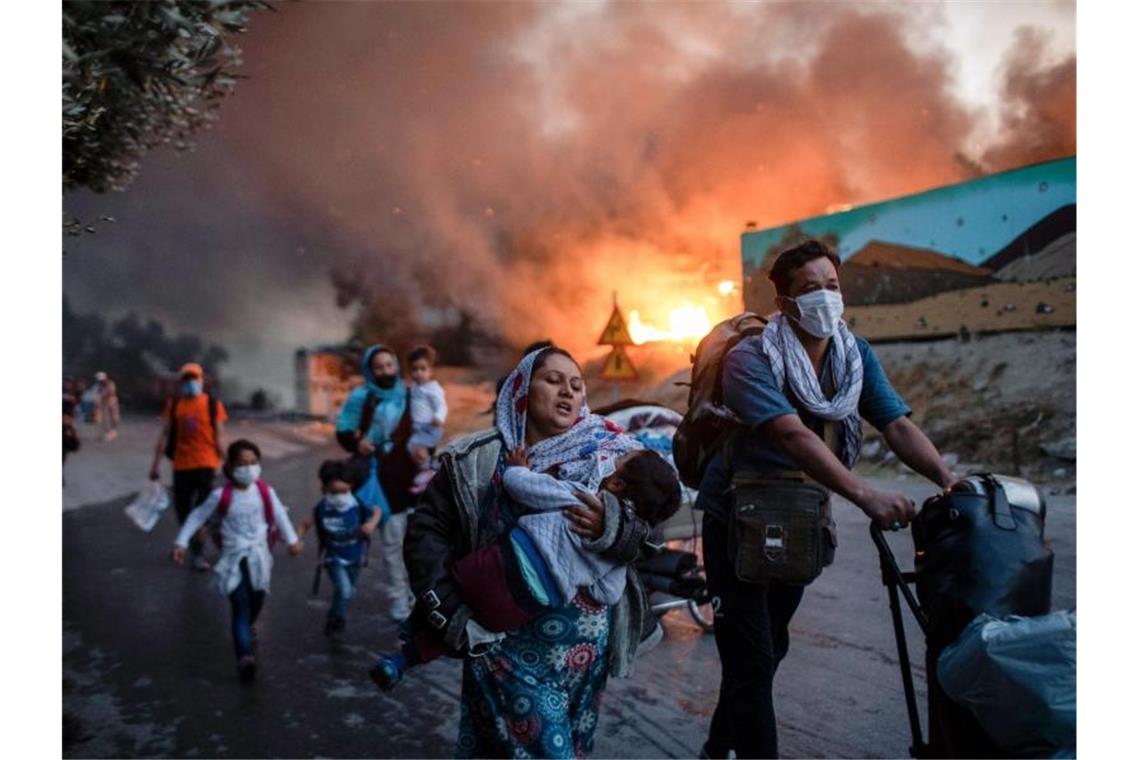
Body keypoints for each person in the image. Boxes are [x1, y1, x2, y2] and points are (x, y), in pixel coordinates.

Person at [696, 239, 958, 759]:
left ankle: (716, 746)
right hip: (737, 521)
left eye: (832, 287)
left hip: (798, 521)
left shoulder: (853, 355)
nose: (824, 298)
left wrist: (947, 480)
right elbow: (793, 435)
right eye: (810, 289)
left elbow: (896, 424)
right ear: (786, 303)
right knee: (751, 657)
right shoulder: (750, 358)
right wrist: (866, 496)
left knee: (767, 648)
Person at [403, 346, 659, 758]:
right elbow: (426, 532)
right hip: (506, 648)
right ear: (522, 388)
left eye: (576, 385)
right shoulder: (478, 458)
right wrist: (451, 612)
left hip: (585, 656)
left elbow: (653, 526)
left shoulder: (611, 453)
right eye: (553, 380)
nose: (567, 392)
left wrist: (614, 528)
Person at [371, 443, 680, 690]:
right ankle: (402, 660)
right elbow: (608, 594)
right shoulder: (618, 553)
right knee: (474, 628)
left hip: (495, 566)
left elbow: (520, 485)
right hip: (524, 606)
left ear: (615, 482)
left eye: (621, 457)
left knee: (451, 589)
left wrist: (519, 468)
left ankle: (406, 644)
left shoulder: (580, 498)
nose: (614, 456)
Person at [171, 439, 303, 681]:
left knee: (257, 599)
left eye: (253, 463)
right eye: (242, 463)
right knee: (240, 606)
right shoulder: (220, 495)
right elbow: (197, 516)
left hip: (260, 559)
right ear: (230, 466)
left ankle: (249, 627)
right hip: (234, 560)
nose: (248, 468)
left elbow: (280, 516)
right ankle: (244, 657)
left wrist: (292, 539)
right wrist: (181, 542)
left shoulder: (265, 491)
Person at [335, 344, 416, 621]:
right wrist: (359, 443)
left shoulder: (410, 394)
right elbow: (344, 430)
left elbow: (424, 430)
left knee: (416, 547)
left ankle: (417, 601)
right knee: (393, 547)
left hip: (412, 481)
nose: (385, 371)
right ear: (370, 370)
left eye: (389, 365)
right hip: (381, 482)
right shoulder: (363, 397)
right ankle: (400, 604)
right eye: (378, 367)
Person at [149, 362, 228, 571]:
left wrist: (229, 463)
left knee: (201, 510)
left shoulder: (212, 404)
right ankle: (190, 542)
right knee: (183, 510)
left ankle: (197, 553)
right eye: (186, 379)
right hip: (181, 464)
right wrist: (155, 465)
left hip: (206, 463)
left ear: (201, 380)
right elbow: (165, 435)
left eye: (194, 378)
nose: (190, 383)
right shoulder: (175, 405)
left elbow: (219, 437)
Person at [297, 459, 382, 635]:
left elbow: (377, 512)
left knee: (347, 591)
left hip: (355, 557)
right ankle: (336, 617)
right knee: (345, 590)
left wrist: (371, 525)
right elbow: (305, 524)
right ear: (325, 488)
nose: (340, 496)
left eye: (345, 491)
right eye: (334, 492)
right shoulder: (322, 508)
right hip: (333, 558)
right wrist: (297, 540)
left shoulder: (356, 504)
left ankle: (337, 617)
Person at [406, 345, 448, 494]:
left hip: (431, 427)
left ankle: (429, 472)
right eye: (414, 369)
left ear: (431, 371)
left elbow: (441, 405)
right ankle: (426, 471)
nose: (418, 373)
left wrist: (439, 417)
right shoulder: (414, 387)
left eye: (422, 369)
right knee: (411, 448)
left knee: (419, 451)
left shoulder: (433, 388)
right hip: (419, 428)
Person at [93, 371, 120, 441]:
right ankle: (107, 433)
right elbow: (98, 393)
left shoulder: (110, 383)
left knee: (114, 418)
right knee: (104, 419)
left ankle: (113, 432)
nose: (100, 381)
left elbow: (111, 392)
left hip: (111, 402)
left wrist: (102, 395)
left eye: (101, 379)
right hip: (104, 404)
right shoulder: (100, 385)